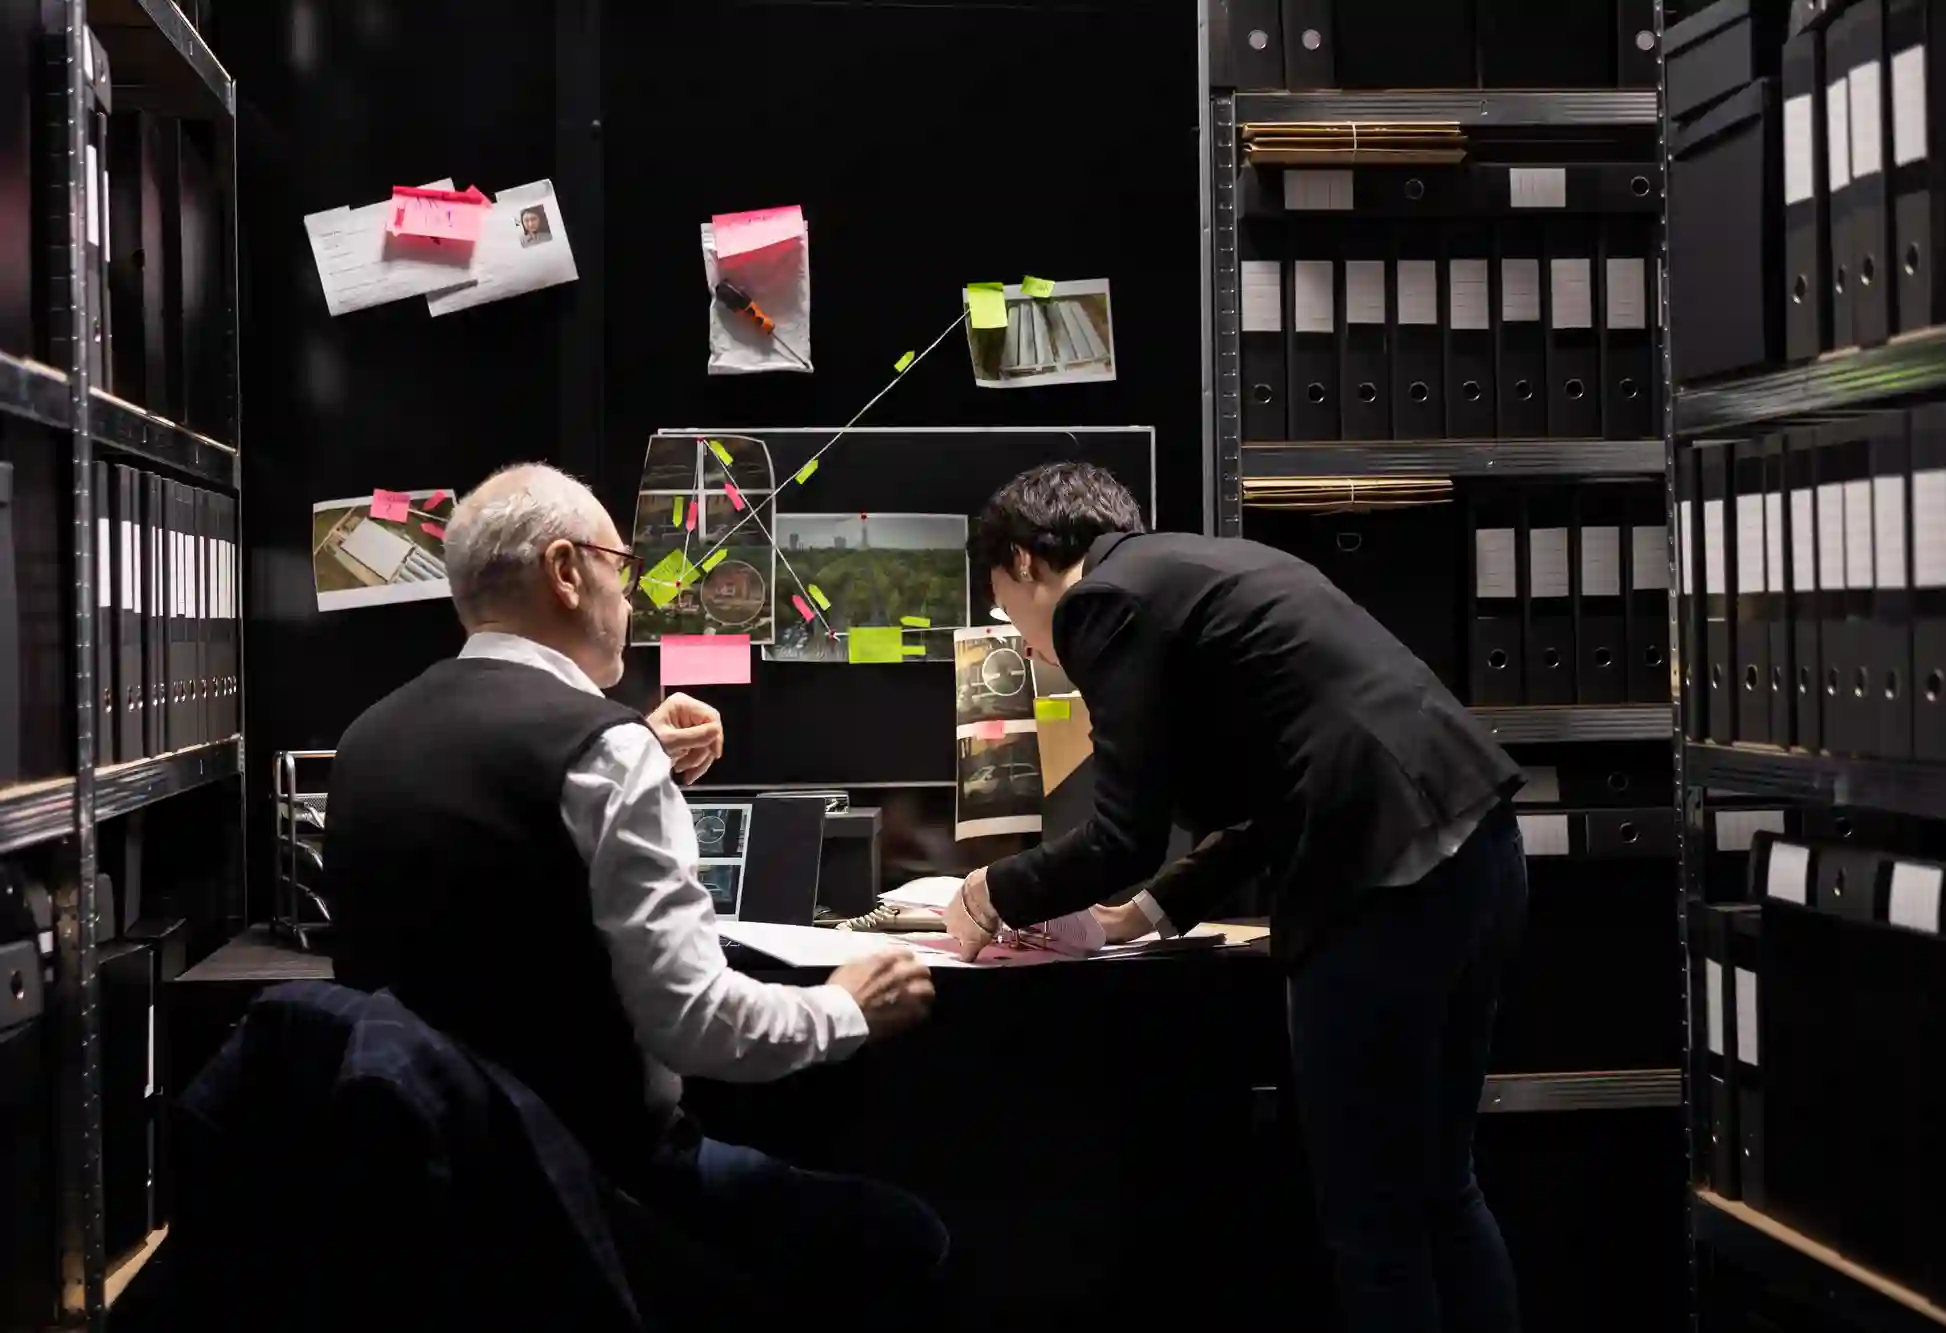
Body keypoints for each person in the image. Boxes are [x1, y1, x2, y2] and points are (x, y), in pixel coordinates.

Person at [323, 463, 946, 1302]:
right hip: (585, 1190)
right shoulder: (602, 751)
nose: (632, 595)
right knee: (911, 1238)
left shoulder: (365, 738)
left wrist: (634, 755)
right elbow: (692, 1022)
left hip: (427, 1195)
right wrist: (846, 1006)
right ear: (566, 571)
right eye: (622, 563)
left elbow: (495, 873)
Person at [941, 462, 1529, 1333]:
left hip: (1380, 886)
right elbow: (1278, 794)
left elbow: (1121, 838)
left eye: (1007, 609)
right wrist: (1143, 913)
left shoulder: (1099, 602)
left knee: (1370, 1221)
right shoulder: (1205, 569)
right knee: (1442, 1185)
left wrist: (993, 891)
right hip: (1478, 848)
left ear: (1026, 562)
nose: (1027, 647)